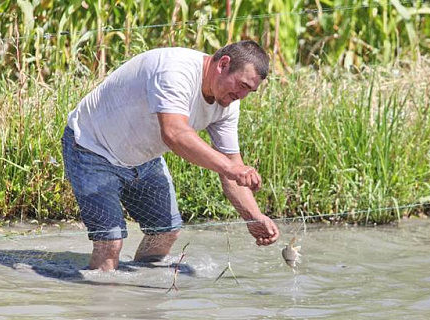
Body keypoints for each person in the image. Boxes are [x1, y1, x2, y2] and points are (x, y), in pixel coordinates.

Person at [62, 40, 280, 271]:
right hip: (91, 147)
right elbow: (174, 133)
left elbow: (234, 169)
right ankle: (102, 301)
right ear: (223, 64)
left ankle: (146, 295)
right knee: (110, 242)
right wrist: (229, 168)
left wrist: (254, 217)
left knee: (165, 232)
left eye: (250, 91)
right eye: (242, 85)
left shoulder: (228, 103)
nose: (242, 95)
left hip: (143, 158)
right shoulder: (176, 71)